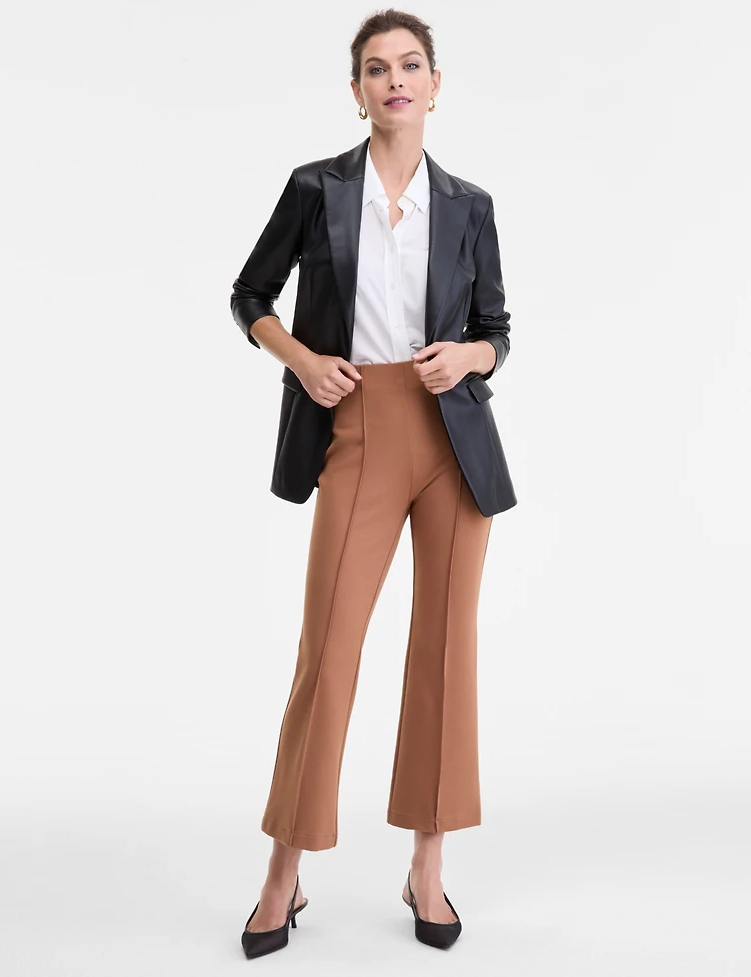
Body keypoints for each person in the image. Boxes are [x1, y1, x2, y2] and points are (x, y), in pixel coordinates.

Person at [230, 8, 517, 958]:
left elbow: (497, 329)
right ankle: (284, 871)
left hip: (453, 439)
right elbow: (249, 295)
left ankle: (427, 866)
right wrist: (304, 360)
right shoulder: (317, 188)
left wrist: (470, 354)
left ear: (437, 84)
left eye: (410, 64)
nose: (395, 79)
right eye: (376, 68)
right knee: (329, 651)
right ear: (356, 91)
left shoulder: (470, 204)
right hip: (356, 425)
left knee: (445, 651)